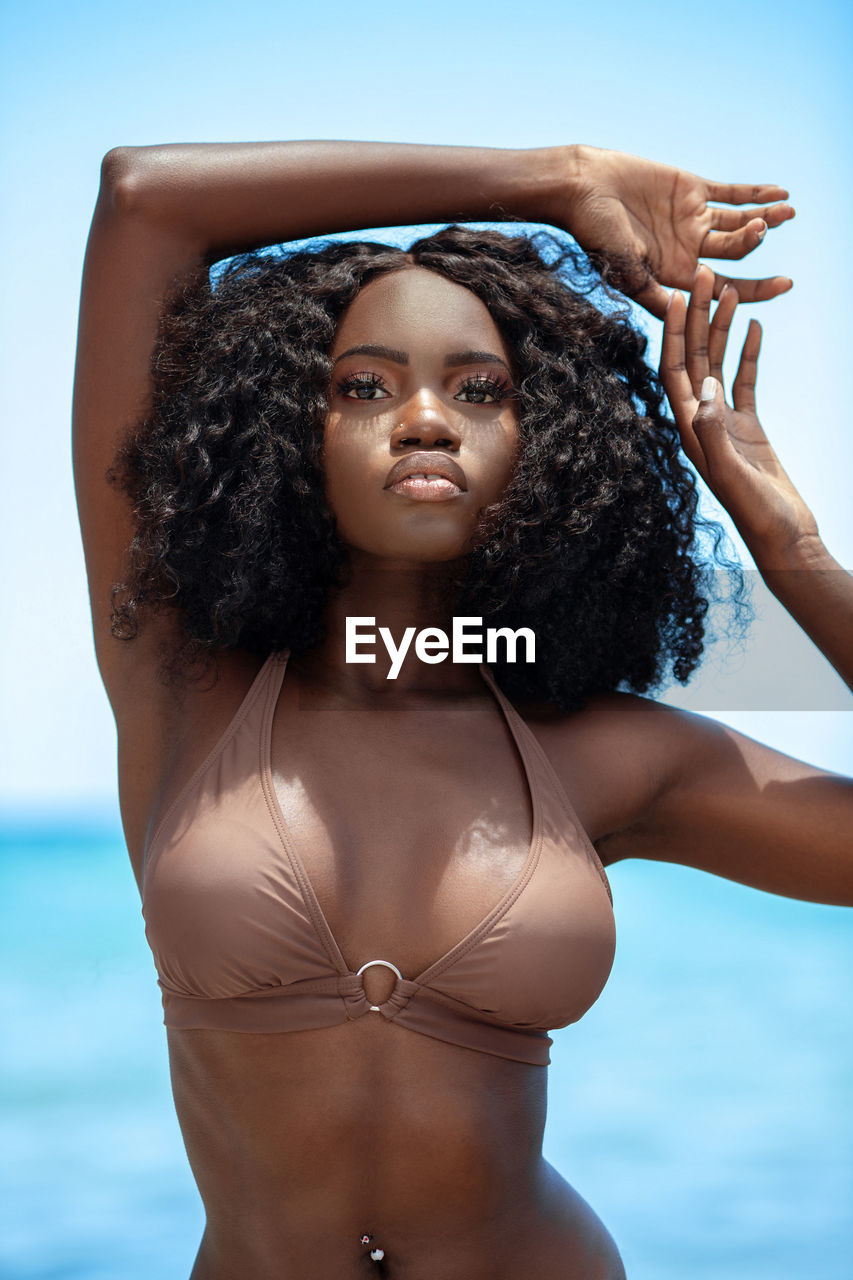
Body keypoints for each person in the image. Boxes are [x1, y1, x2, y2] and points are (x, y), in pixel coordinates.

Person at [72, 140, 852, 1279]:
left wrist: (791, 546)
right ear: (295, 432)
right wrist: (555, 180)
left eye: (479, 391)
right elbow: (144, 203)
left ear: (544, 446)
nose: (426, 418)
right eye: (364, 385)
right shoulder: (186, 683)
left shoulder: (601, 757)